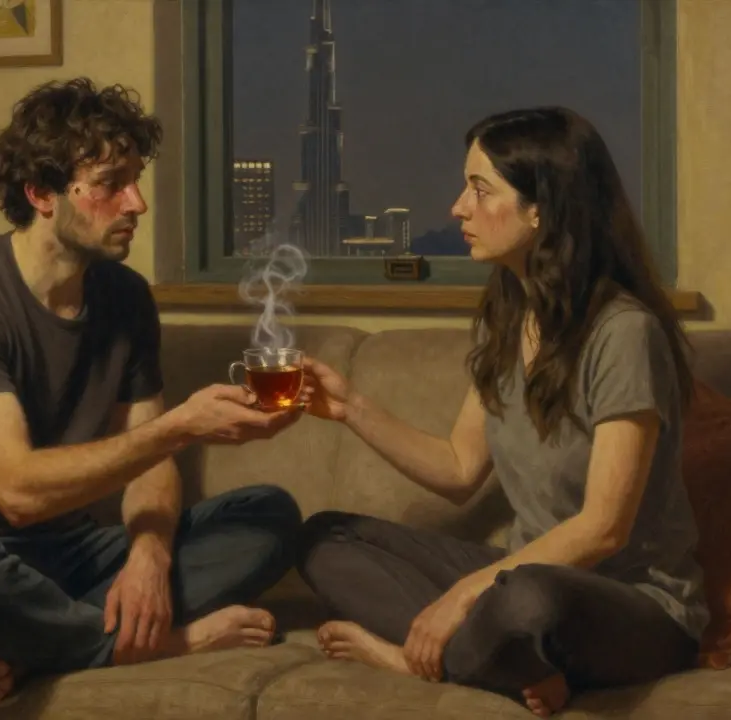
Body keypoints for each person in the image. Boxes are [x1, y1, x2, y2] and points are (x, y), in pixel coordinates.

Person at [0, 78, 305, 708]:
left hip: (69, 554)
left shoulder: (124, 296)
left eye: (135, 180)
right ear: (40, 193)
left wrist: (148, 560)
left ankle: (28, 638)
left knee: (269, 517)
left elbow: (150, 463)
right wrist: (182, 426)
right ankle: (159, 644)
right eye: (108, 185)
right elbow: (16, 491)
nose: (136, 204)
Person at [295, 106, 709, 718]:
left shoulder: (623, 333)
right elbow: (461, 468)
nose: (457, 207)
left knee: (526, 601)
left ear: (542, 208)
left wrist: (465, 594)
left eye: (480, 189)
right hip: (522, 576)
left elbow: (603, 529)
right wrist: (350, 407)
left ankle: (416, 660)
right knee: (323, 537)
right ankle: (501, 667)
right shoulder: (507, 315)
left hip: (631, 604)